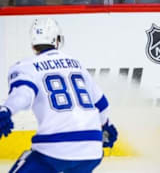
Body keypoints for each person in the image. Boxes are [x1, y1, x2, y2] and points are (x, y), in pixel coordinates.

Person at [0, 17, 118, 172]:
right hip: (92, 149)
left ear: (33, 44)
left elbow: (23, 94)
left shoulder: (26, 67)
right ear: (57, 40)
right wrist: (105, 127)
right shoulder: (77, 65)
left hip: (54, 148)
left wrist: (6, 110)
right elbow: (102, 104)